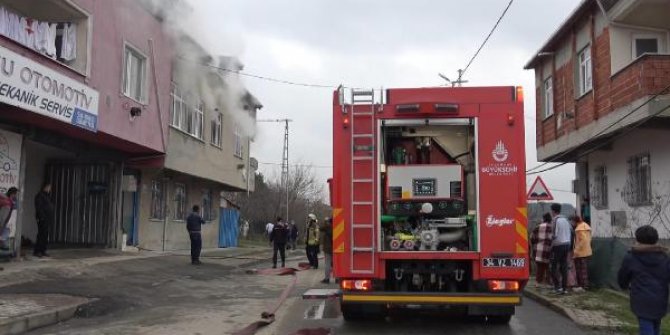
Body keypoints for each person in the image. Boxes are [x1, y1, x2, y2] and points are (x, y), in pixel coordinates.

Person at [618, 225, 670, 335]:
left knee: (646, 327)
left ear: (638, 240)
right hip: (660, 300)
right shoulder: (664, 257)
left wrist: (624, 285)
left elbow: (623, 277)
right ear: (656, 240)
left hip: (641, 300)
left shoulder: (631, 257)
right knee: (656, 325)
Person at [550, 203, 571, 294]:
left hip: (558, 245)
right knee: (564, 267)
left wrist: (550, 244)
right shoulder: (566, 220)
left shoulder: (555, 220)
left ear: (553, 211)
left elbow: (554, 235)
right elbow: (571, 232)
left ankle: (557, 287)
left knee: (553, 267)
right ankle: (564, 288)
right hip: (567, 244)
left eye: (551, 211)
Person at [530, 213, 553, 287]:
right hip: (549, 249)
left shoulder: (538, 227)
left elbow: (532, 237)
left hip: (539, 249)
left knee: (540, 267)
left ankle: (538, 283)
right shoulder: (552, 227)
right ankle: (549, 282)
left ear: (543, 218)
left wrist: (535, 244)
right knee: (548, 266)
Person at [571, 215, 592, 290]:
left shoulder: (579, 229)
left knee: (580, 269)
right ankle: (585, 285)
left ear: (575, 221)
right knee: (584, 269)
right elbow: (588, 239)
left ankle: (582, 285)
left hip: (580, 253)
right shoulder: (586, 227)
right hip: (587, 251)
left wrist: (576, 250)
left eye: (572, 221)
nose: (571, 223)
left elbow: (583, 240)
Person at [34, 182, 54, 258]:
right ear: (44, 187)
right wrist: (41, 217)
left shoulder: (47, 196)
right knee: (41, 234)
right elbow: (39, 208)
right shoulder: (40, 195)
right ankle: (37, 251)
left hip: (47, 219)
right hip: (42, 219)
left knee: (45, 235)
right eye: (48, 187)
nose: (49, 189)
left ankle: (43, 250)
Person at [320, 217, 333, 284]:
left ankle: (327, 278)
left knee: (327, 263)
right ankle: (337, 278)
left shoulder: (327, 227)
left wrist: (325, 221)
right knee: (335, 264)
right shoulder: (337, 227)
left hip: (328, 249)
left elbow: (321, 228)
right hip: (336, 248)